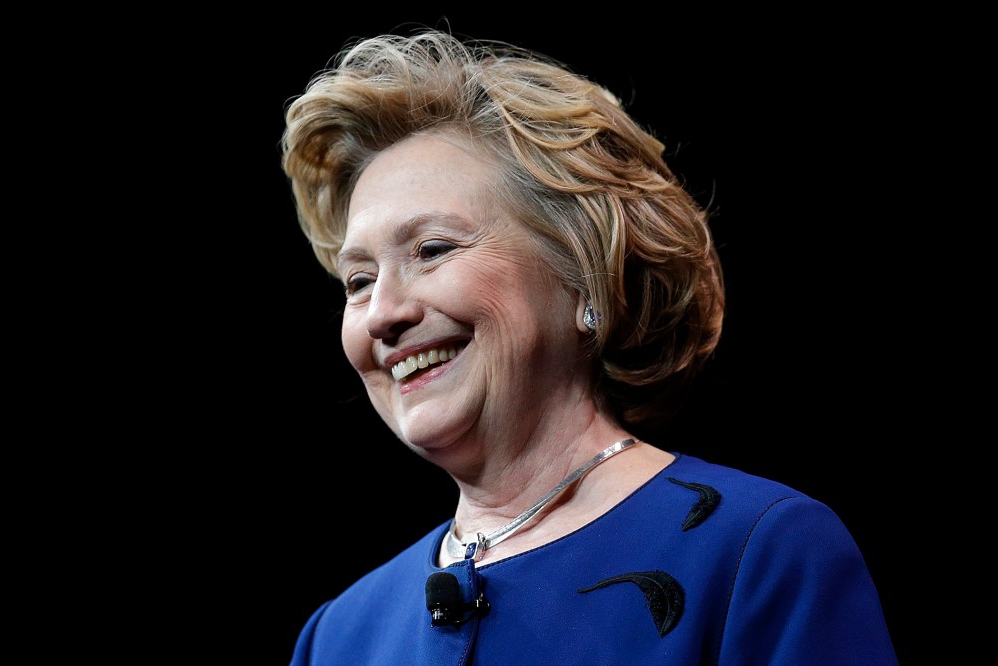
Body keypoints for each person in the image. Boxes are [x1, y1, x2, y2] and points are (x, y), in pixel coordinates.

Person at [279, 28, 898, 665]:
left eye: (432, 250)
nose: (383, 313)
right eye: (359, 281)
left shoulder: (758, 554)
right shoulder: (338, 636)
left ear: (585, 277)